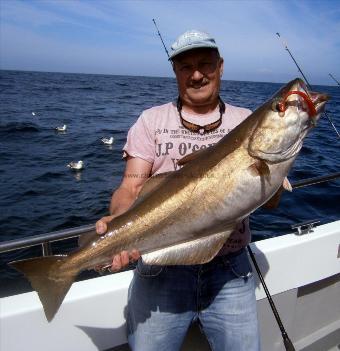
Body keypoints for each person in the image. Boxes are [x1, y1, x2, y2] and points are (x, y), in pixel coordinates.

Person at [96, 30, 260, 351]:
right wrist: (117, 222)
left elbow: (271, 201)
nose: (197, 74)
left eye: (205, 65)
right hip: (160, 271)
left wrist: (278, 162)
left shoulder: (247, 122)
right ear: (175, 72)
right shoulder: (151, 121)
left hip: (230, 271)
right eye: (185, 67)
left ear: (221, 66)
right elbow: (131, 186)